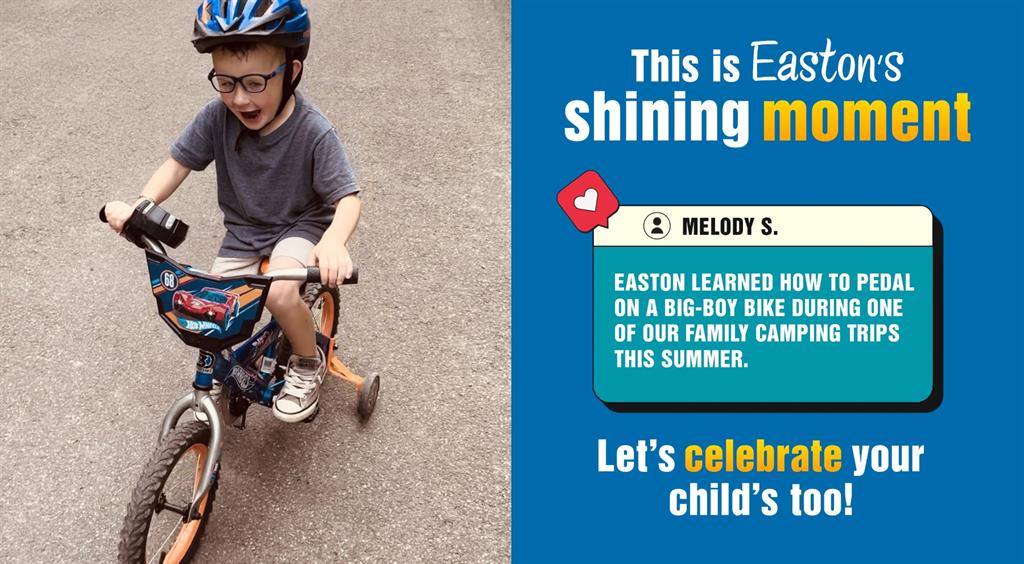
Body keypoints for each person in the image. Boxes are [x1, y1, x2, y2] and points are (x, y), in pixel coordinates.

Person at [104, 0, 360, 423]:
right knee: (214, 308)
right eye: (226, 82)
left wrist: (333, 241)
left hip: (300, 225)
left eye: (255, 82)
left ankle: (307, 362)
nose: (240, 97)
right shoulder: (216, 117)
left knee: (279, 293)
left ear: (291, 73)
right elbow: (178, 163)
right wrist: (140, 205)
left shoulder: (314, 130)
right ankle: (225, 369)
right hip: (244, 232)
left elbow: (348, 197)